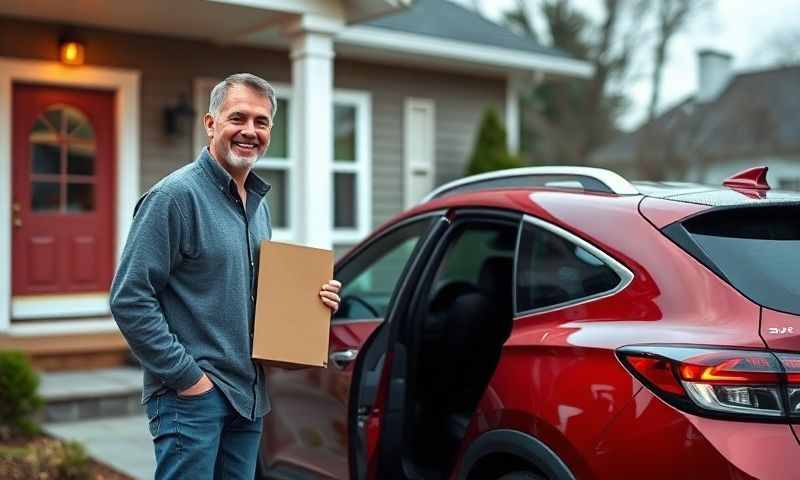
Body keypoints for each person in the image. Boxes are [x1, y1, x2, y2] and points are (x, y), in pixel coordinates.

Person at [109, 73, 341, 480]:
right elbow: (129, 297)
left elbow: (250, 295)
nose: (250, 131)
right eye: (238, 118)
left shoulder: (257, 206)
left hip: (248, 396)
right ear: (210, 124)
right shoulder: (174, 198)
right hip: (193, 399)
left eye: (262, 122)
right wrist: (189, 379)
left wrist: (312, 302)